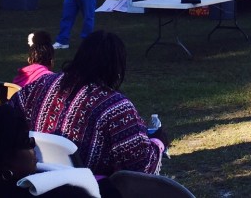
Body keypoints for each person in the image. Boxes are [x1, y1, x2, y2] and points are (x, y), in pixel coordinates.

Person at [10, 30, 167, 177]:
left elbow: (8, 115)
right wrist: (158, 142)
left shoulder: (41, 84)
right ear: (116, 68)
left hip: (35, 180)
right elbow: (140, 167)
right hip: (85, 188)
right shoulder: (115, 107)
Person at [0, 103, 100, 197]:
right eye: (27, 141)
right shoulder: (66, 193)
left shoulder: (30, 90)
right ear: (4, 156)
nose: (34, 145)